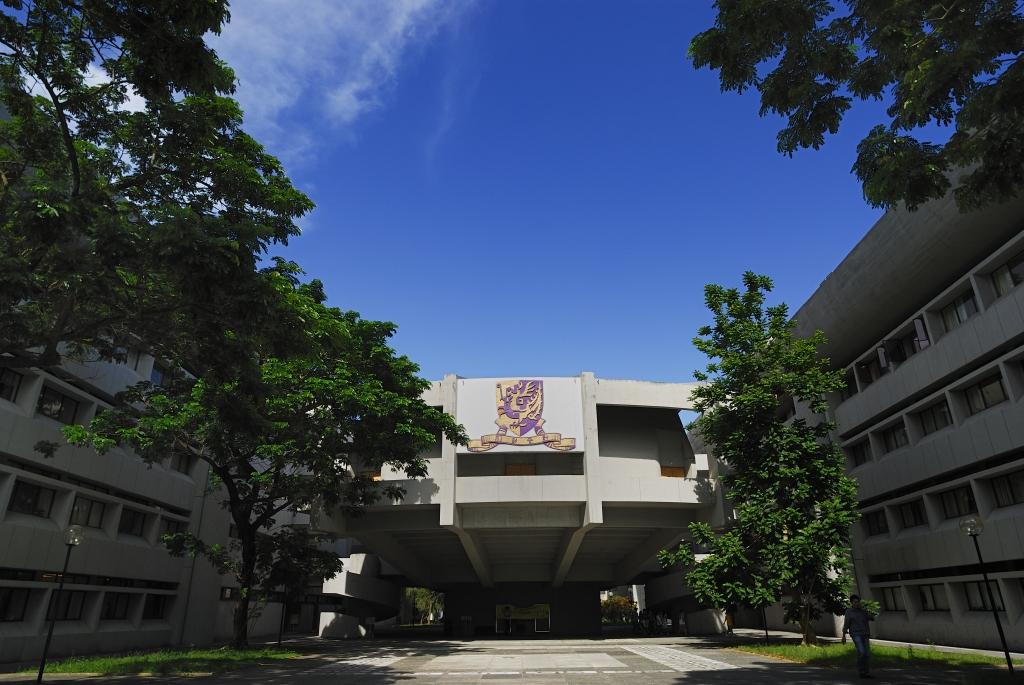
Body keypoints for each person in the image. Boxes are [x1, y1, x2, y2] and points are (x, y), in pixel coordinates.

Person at [842, 594, 874, 679]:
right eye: (855, 602)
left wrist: (868, 611)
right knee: (862, 652)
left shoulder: (863, 611)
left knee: (866, 654)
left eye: (858, 602)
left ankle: (866, 673)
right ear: (852, 603)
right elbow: (846, 624)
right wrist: (843, 635)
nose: (856, 603)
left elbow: (871, 618)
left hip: (865, 633)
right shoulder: (849, 612)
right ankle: (861, 671)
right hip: (856, 634)